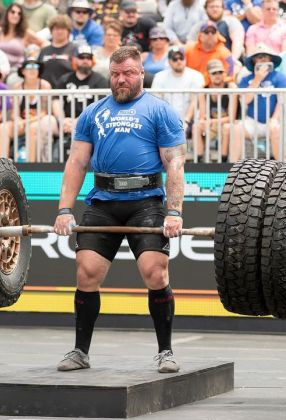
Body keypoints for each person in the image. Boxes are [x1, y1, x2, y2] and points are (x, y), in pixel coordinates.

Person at [53, 45, 185, 374]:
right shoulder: (92, 113)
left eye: (127, 73)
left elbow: (174, 162)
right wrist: (64, 209)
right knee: (86, 273)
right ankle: (80, 352)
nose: (121, 80)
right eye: (115, 74)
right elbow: (77, 161)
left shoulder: (159, 110)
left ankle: (165, 352)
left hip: (147, 202)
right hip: (103, 203)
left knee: (156, 273)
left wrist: (175, 211)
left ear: (141, 74)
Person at [0, 57, 55, 161]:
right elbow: (15, 111)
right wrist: (18, 120)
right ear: (23, 71)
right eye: (29, 67)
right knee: (2, 127)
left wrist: (26, 121)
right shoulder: (18, 86)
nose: (33, 70)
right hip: (23, 122)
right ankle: (3, 163)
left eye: (36, 67)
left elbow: (44, 112)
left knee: (32, 128)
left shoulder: (45, 85)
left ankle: (30, 165)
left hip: (39, 121)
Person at [54, 44, 109, 150]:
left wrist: (78, 121)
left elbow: (100, 107)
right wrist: (62, 120)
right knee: (45, 123)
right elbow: (56, 101)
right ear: (75, 59)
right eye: (81, 57)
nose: (85, 60)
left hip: (90, 121)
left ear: (92, 60)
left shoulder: (100, 80)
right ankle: (43, 163)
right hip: (65, 122)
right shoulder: (65, 79)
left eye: (88, 57)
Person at [193, 59, 242, 162]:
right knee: (196, 126)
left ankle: (223, 161)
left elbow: (232, 118)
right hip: (211, 124)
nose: (217, 75)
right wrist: (208, 121)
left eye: (220, 72)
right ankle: (199, 159)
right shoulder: (203, 90)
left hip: (228, 124)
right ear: (208, 75)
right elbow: (203, 116)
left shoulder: (231, 88)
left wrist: (213, 121)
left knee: (226, 127)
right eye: (214, 73)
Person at [152, 46, 204, 134]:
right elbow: (156, 102)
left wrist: (186, 122)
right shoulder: (159, 77)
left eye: (181, 58)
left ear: (185, 59)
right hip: (166, 120)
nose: (179, 61)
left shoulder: (196, 76)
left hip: (191, 121)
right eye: (175, 59)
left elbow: (195, 101)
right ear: (169, 61)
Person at [0, 2, 46, 79]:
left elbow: (44, 43)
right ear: (7, 14)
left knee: (12, 81)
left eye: (19, 14)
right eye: (13, 12)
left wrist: (35, 55)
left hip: (15, 71)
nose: (16, 15)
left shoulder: (25, 33)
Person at [38, 14, 75, 87]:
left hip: (67, 92)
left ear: (68, 31)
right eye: (56, 28)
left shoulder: (74, 49)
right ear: (51, 31)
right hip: (46, 92)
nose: (59, 32)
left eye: (63, 28)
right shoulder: (44, 51)